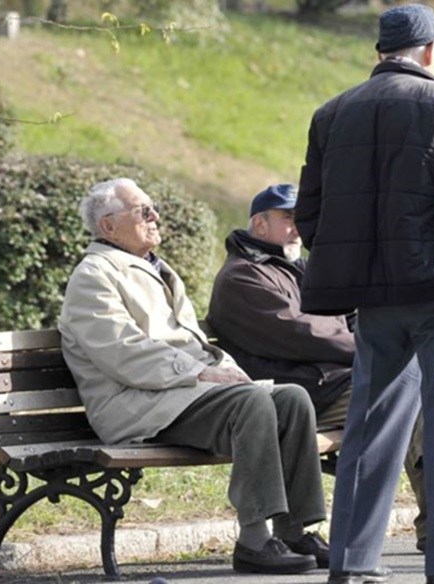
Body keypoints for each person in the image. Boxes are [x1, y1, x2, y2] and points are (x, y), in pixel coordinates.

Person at [296, 4, 434, 584]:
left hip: (374, 297)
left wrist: (352, 269)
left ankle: (352, 562)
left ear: (381, 51)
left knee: (370, 425)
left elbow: (309, 215)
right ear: (430, 51)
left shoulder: (332, 113)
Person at [58, 177, 330, 575]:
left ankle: (294, 530)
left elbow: (193, 342)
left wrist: (224, 370)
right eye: (142, 211)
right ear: (108, 227)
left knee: (291, 399)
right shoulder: (94, 276)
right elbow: (124, 354)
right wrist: (201, 373)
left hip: (174, 395)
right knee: (252, 404)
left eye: (152, 207)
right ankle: (254, 539)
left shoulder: (155, 268)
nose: (155, 216)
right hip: (133, 404)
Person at [205, 183, 434, 553]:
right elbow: (303, 334)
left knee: (412, 388)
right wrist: (376, 349)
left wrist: (365, 337)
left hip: (328, 383)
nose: (299, 227)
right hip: (295, 395)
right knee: (406, 392)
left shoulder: (300, 268)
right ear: (260, 225)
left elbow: (351, 315)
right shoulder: (242, 277)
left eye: (303, 218)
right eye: (288, 218)